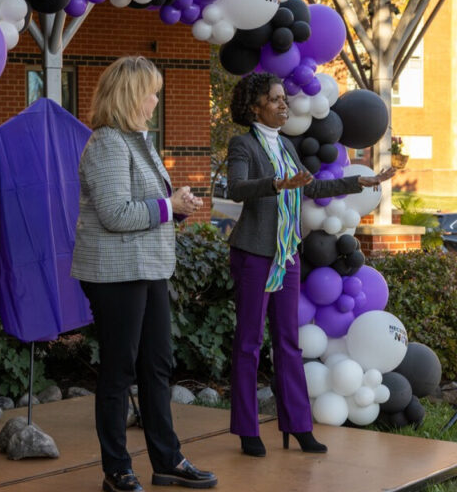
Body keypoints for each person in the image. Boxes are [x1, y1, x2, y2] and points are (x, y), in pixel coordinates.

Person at [225, 72, 396, 457]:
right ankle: (247, 430)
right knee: (249, 343)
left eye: (285, 98)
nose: (284, 104)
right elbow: (236, 189)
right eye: (275, 99)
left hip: (287, 255)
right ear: (255, 107)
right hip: (254, 255)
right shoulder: (243, 145)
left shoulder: (286, 144)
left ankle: (299, 426)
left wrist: (361, 183)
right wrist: (274, 184)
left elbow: (312, 187)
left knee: (289, 343)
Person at [72, 56, 217, 492]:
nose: (157, 100)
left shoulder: (140, 142)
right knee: (118, 371)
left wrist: (178, 207)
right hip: (114, 272)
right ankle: (117, 469)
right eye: (152, 92)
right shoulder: (107, 143)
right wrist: (168, 207)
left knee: (157, 365)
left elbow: (150, 207)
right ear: (133, 95)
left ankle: (167, 460)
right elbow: (116, 214)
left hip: (149, 267)